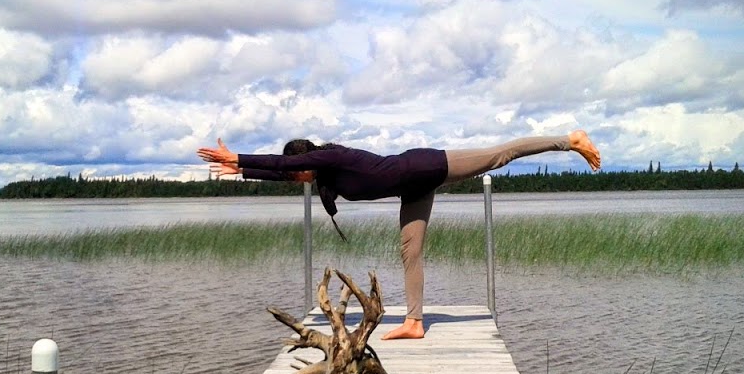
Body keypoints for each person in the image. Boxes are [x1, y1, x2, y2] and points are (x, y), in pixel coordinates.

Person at [197, 130, 601, 340]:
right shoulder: (323, 175)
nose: (293, 177)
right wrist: (245, 171)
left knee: (499, 154)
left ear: (307, 159)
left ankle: (569, 141)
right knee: (410, 252)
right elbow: (283, 172)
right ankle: (414, 322)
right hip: (413, 188)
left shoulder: (330, 157)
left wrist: (240, 156)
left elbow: (289, 164)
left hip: (426, 166)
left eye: (294, 169)